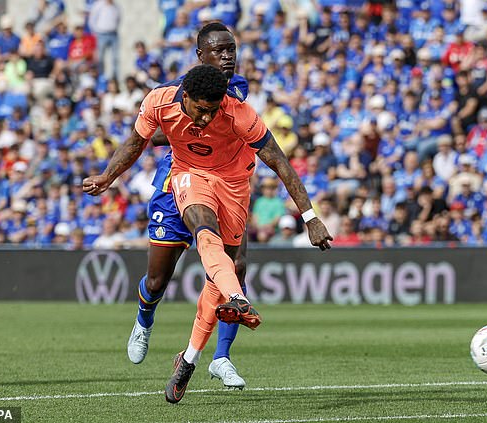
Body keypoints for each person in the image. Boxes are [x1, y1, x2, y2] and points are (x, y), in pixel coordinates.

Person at [84, 64, 332, 403]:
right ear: (186, 94)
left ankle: (190, 358)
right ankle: (233, 300)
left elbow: (280, 162)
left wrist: (310, 217)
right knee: (199, 238)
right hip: (189, 175)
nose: (206, 118)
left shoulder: (239, 112)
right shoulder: (159, 100)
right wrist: (107, 177)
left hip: (233, 185)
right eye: (201, 110)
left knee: (224, 271)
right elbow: (137, 141)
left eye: (212, 111)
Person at [124, 23, 251, 389]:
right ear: (200, 55)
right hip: (175, 182)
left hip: (222, 182)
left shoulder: (236, 87)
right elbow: (153, 133)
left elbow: (198, 124)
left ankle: (221, 357)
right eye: (219, 51)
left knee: (234, 266)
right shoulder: (175, 91)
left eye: (231, 50)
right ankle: (144, 318)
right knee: (157, 279)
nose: (227, 58)